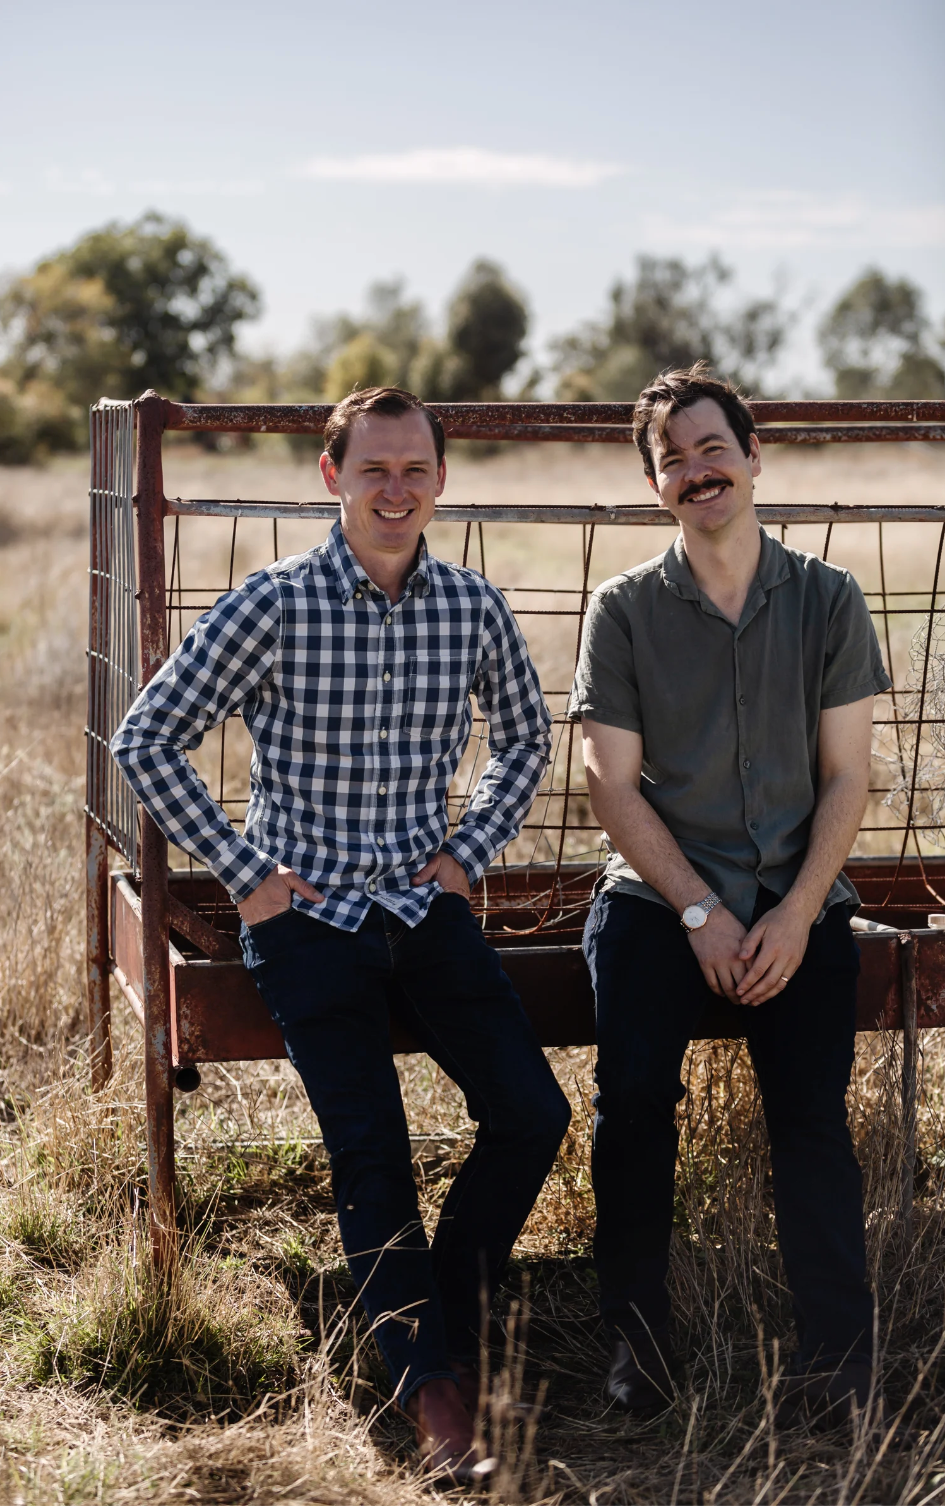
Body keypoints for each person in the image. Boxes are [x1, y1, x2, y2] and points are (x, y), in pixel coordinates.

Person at [112, 386, 570, 1479]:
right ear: (332, 477)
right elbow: (148, 738)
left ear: (442, 481)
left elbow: (525, 736)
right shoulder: (271, 603)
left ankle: (441, 1312)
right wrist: (245, 872)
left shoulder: (471, 608)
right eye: (374, 469)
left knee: (532, 1111)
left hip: (422, 907)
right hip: (307, 920)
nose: (396, 490)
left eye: (415, 469)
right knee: (373, 1147)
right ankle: (432, 1391)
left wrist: (467, 855)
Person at [568, 363, 889, 1428]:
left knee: (811, 1121)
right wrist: (702, 910)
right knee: (632, 1109)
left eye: (715, 450)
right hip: (664, 900)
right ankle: (640, 1346)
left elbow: (849, 775)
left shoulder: (829, 599)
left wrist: (796, 914)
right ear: (655, 484)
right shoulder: (623, 609)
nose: (698, 472)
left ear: (753, 458)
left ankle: (839, 1363)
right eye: (675, 460)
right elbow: (608, 781)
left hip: (799, 894)